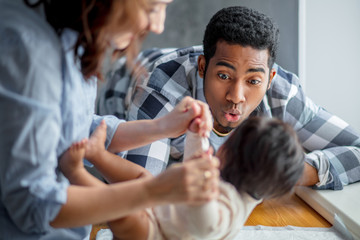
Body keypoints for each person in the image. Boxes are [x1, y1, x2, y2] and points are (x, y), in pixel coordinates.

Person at [0, 0, 219, 239]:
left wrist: (163, 126)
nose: (158, 26)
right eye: (152, 8)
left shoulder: (72, 38)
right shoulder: (27, 53)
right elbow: (33, 203)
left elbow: (77, 128)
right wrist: (154, 191)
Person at [98, 6, 360, 190]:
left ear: (270, 79)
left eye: (253, 81)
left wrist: (294, 173)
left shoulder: (284, 93)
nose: (236, 97)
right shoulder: (160, 90)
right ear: (203, 67)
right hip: (126, 80)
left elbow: (357, 149)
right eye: (224, 76)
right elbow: (143, 189)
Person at [62, 116, 304, 239]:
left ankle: (76, 172)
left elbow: (205, 224)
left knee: (123, 210)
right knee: (143, 177)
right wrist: (196, 133)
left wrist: (204, 193)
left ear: (229, 153)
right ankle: (96, 154)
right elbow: (193, 163)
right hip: (159, 209)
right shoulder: (244, 184)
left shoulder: (231, 208)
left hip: (154, 235)